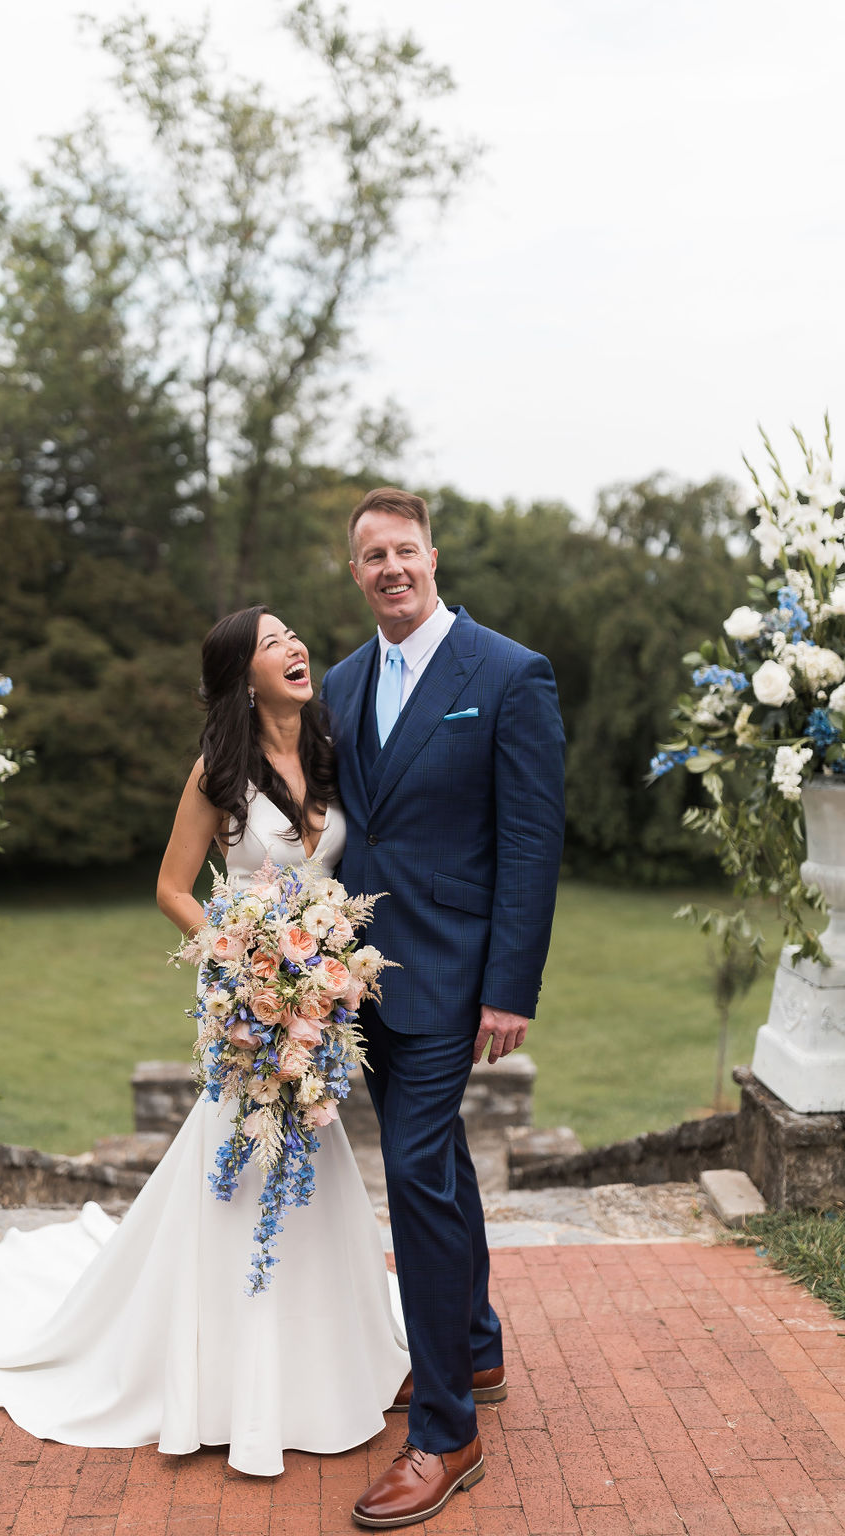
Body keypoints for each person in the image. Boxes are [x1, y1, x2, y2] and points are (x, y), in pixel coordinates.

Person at [0, 605, 409, 1478]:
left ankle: (332, 1363)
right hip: (251, 1003)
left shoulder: (337, 749)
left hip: (321, 1003)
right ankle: (222, 1375)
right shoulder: (220, 772)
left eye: (292, 635)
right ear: (242, 678)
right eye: (268, 645)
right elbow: (173, 886)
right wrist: (238, 950)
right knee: (244, 1162)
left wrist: (327, 964)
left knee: (313, 1148)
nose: (292, 648)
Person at [321, 487, 566, 1529]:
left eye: (404, 549)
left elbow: (530, 840)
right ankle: (473, 1340)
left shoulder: (508, 675)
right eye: (371, 554)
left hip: (456, 968)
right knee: (441, 1159)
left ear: (432, 555)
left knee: (415, 1167)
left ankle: (444, 1428)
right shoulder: (335, 682)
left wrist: (509, 986)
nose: (390, 568)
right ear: (356, 571)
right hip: (358, 976)